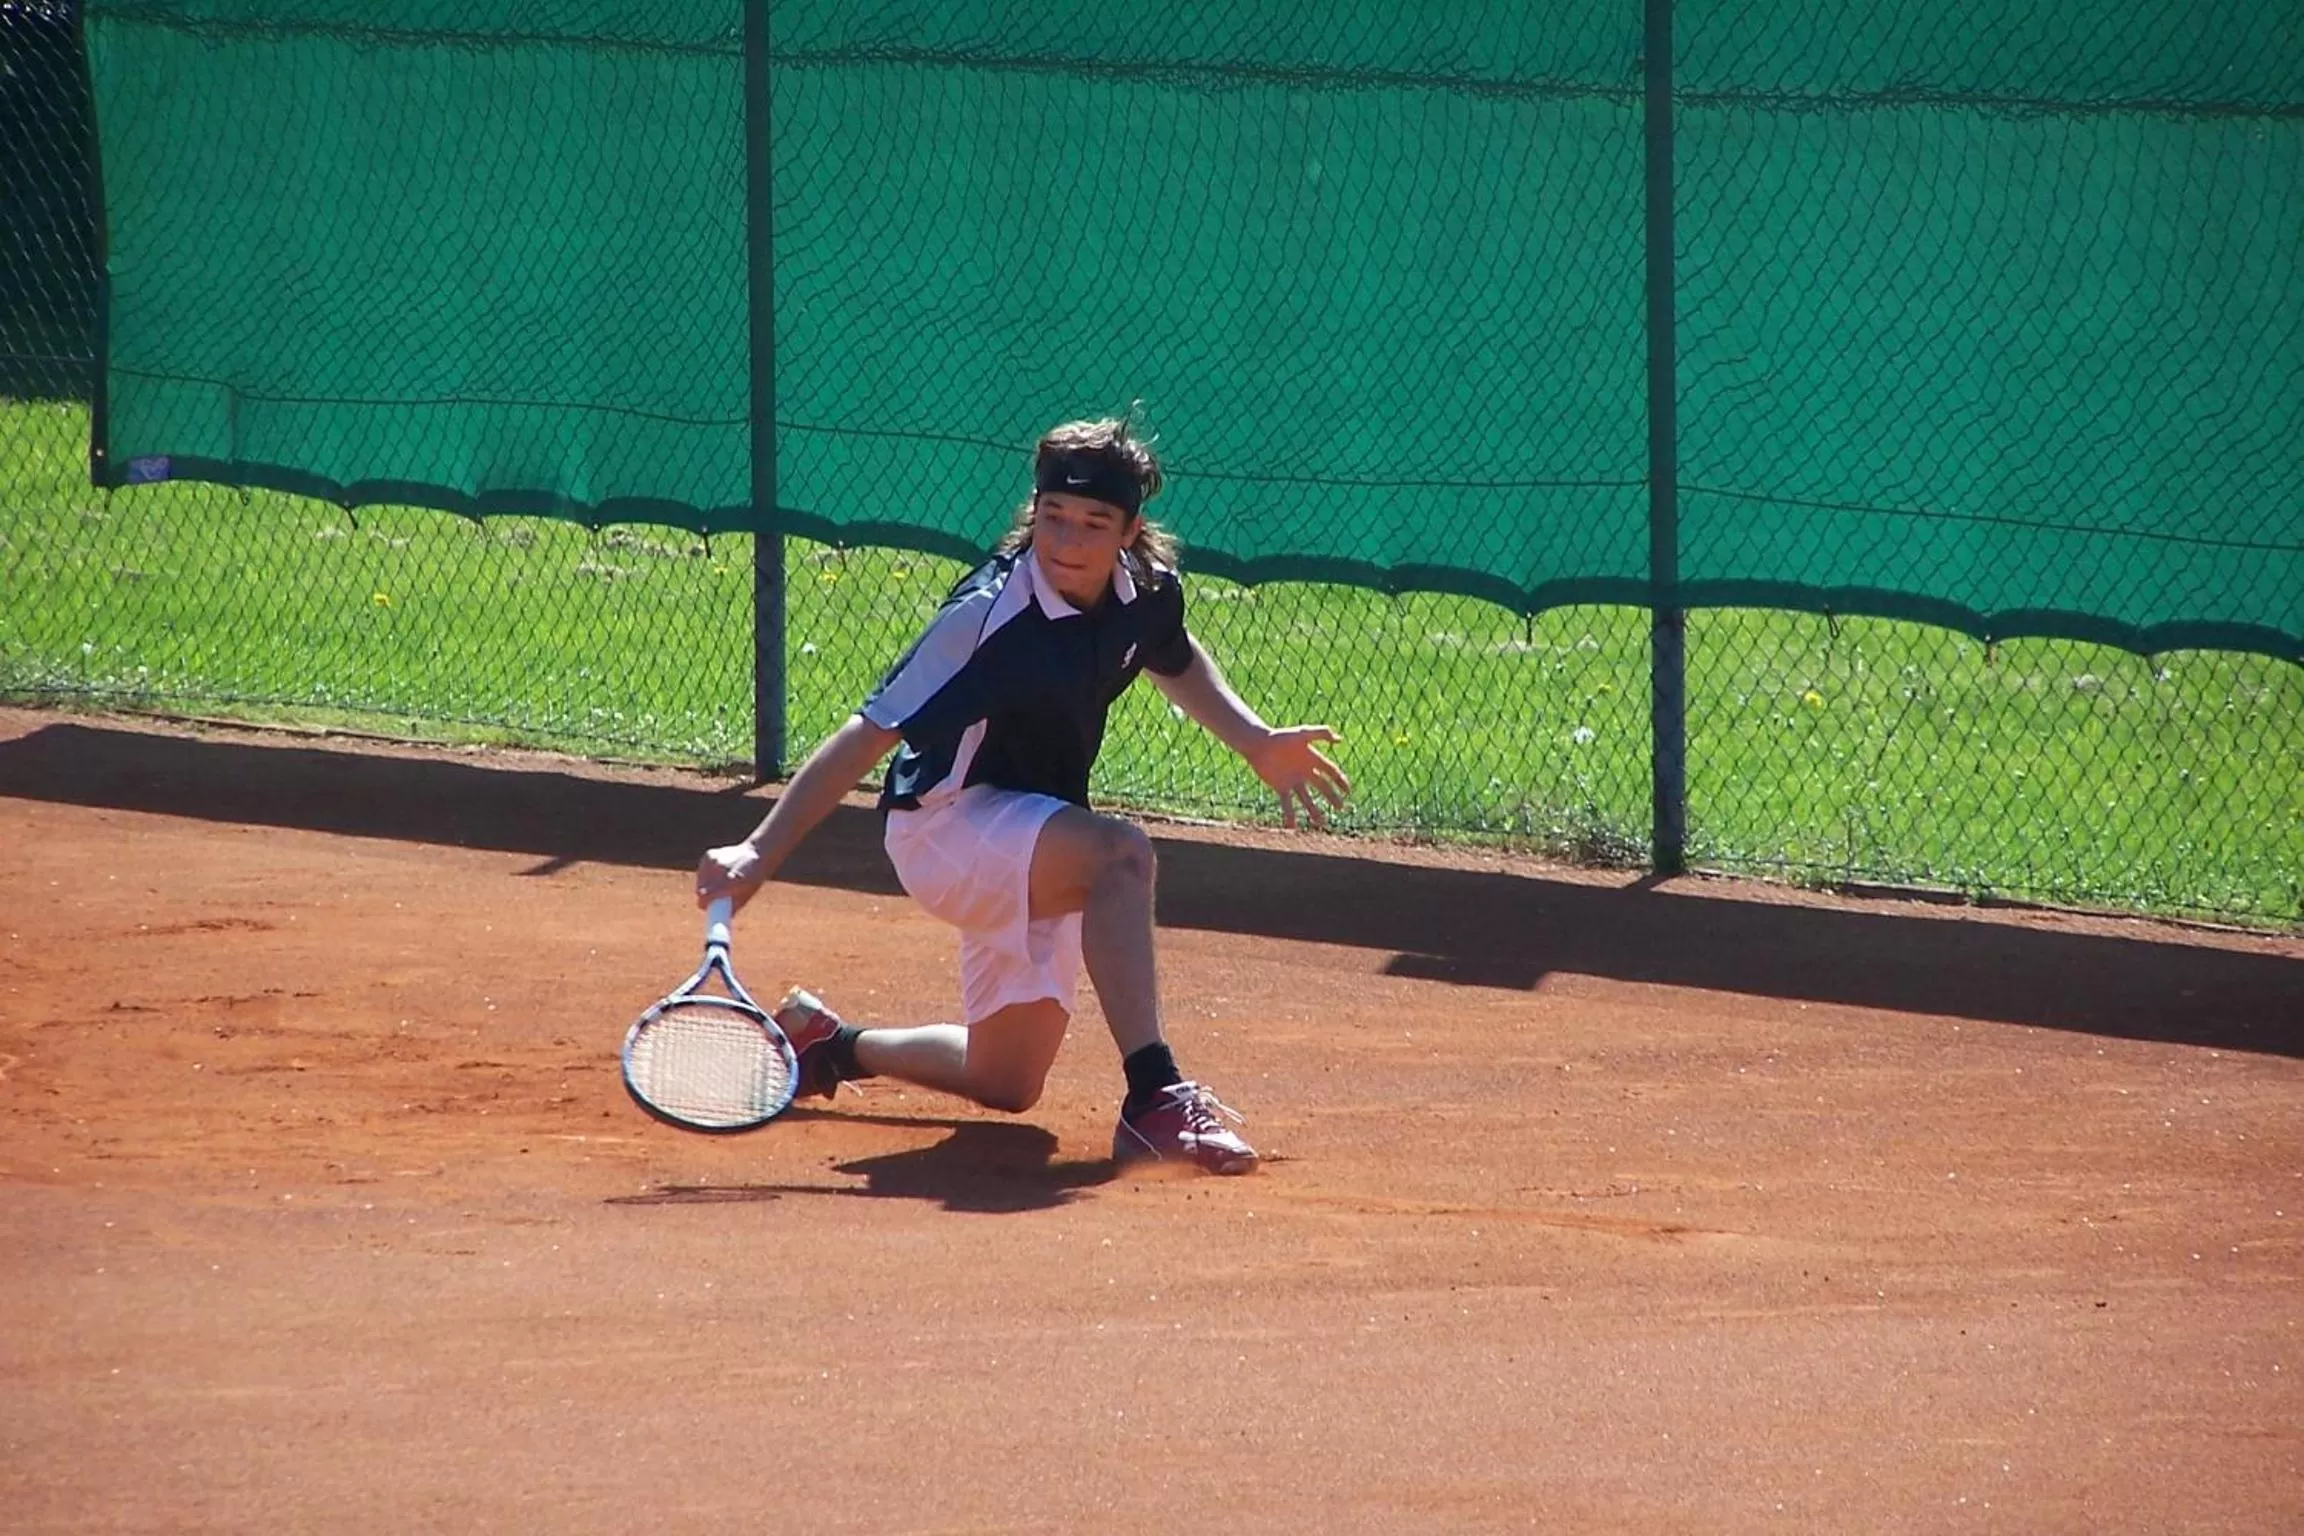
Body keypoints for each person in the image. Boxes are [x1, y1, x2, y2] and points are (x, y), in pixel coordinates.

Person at [695, 412, 1349, 1174]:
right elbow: (865, 734)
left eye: (1093, 523)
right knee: (1120, 858)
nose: (1068, 542)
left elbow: (1166, 649)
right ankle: (1155, 1098)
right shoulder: (984, 617)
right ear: (1033, 511)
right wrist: (757, 851)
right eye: (1054, 517)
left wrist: (1256, 741)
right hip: (945, 828)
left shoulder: (1145, 590)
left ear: (1131, 530)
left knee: (1007, 1083)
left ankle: (829, 1046)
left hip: (1031, 831)